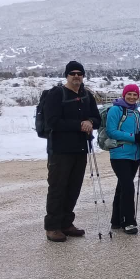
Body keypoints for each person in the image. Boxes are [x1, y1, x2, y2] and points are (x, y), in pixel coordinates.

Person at [42, 61, 102, 242]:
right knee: (57, 187)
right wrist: (79, 125)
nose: (76, 76)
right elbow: (52, 122)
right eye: (73, 73)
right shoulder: (56, 94)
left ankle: (66, 223)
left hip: (80, 149)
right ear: (67, 75)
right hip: (60, 150)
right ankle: (52, 227)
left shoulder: (87, 95)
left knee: (73, 188)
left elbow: (97, 119)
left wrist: (90, 122)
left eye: (79, 73)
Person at [106, 83, 140, 234]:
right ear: (124, 95)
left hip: (134, 155)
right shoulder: (115, 110)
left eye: (135, 94)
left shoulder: (136, 112)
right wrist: (134, 137)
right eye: (129, 94)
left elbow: (138, 132)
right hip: (119, 154)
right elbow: (111, 131)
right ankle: (128, 221)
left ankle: (116, 220)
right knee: (128, 187)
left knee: (123, 186)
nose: (132, 97)